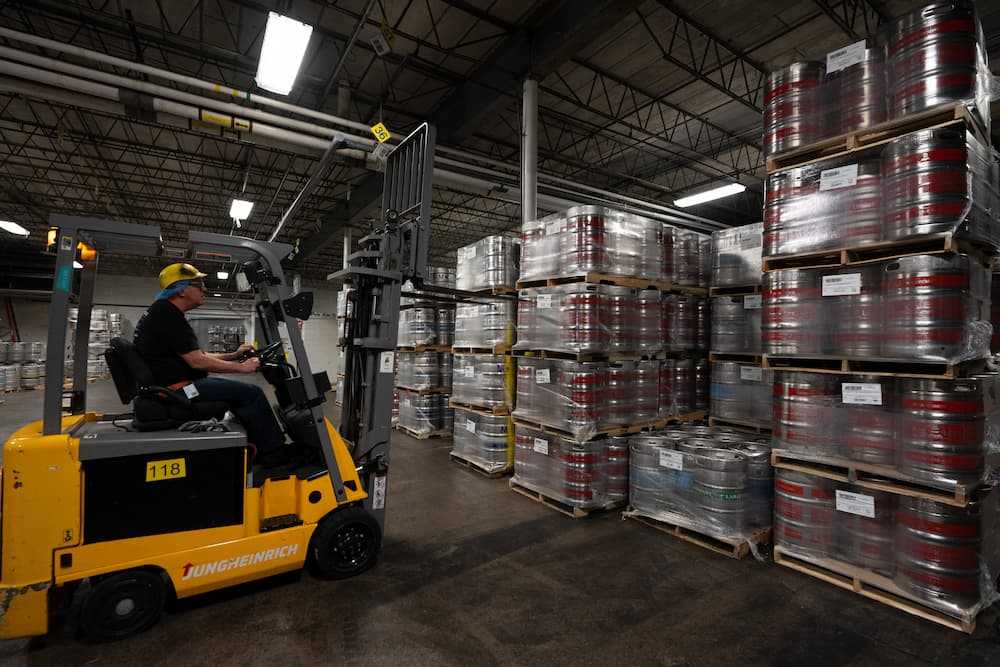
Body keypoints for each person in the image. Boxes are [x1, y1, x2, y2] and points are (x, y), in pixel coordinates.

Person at [133, 262, 286, 455]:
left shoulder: (163, 312)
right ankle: (274, 453)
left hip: (176, 386)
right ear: (181, 290)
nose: (204, 289)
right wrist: (244, 367)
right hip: (180, 390)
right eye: (198, 285)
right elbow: (197, 362)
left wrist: (234, 355)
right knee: (252, 393)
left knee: (238, 391)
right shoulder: (167, 315)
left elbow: (198, 355)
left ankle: (251, 448)